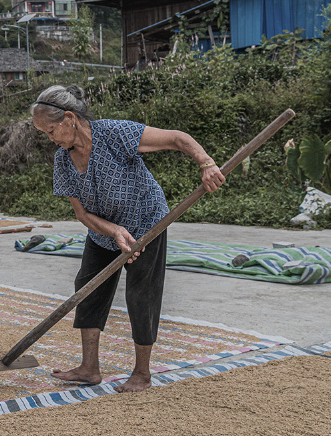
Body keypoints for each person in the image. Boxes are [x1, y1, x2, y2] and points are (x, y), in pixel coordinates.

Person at [30, 84, 226, 393]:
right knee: (87, 288)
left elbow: (177, 138)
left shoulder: (113, 133)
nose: (51, 138)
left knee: (141, 294)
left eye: (51, 130)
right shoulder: (63, 161)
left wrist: (206, 163)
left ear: (70, 118)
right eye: (46, 134)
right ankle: (89, 368)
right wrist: (114, 231)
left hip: (147, 221)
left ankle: (142, 374)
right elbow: (82, 214)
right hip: (105, 231)